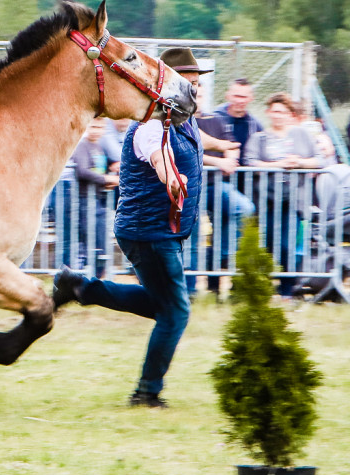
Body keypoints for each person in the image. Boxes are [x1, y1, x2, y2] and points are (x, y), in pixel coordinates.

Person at [53, 47, 237, 408]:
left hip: (157, 230)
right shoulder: (151, 126)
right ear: (165, 83)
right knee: (176, 311)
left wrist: (222, 147)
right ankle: (147, 392)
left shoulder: (183, 115)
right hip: (148, 232)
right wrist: (171, 179)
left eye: (197, 84)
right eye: (188, 83)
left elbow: (199, 140)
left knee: (161, 305)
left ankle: (79, 288)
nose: (194, 91)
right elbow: (160, 157)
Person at [245, 93, 322, 298]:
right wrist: (276, 165)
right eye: (275, 111)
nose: (278, 116)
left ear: (290, 115)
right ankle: (267, 287)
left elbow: (319, 159)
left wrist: (299, 163)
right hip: (267, 198)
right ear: (269, 112)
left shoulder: (302, 135)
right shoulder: (260, 137)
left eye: (283, 112)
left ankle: (288, 289)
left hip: (294, 198)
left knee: (288, 243)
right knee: (269, 242)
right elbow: (250, 162)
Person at [195, 77, 260, 293]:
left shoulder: (217, 120)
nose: (196, 99)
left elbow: (232, 145)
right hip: (190, 188)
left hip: (218, 186)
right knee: (193, 233)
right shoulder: (180, 121)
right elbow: (189, 151)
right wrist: (220, 161)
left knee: (244, 208)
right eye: (193, 94)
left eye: (200, 95)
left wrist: (231, 156)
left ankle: (222, 256)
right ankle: (192, 289)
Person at [71, 117, 119, 278]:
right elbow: (83, 171)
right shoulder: (82, 146)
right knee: (90, 243)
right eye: (93, 126)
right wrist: (106, 179)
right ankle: (86, 278)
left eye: (100, 127)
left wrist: (106, 178)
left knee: (102, 243)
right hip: (85, 201)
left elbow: (97, 170)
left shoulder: (98, 147)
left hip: (98, 199)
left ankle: (96, 278)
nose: (96, 130)